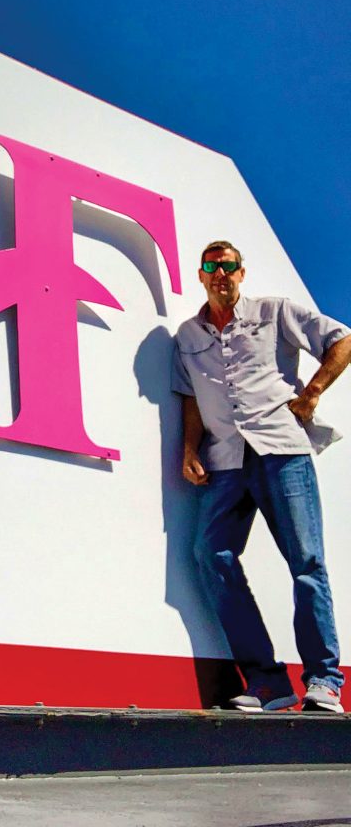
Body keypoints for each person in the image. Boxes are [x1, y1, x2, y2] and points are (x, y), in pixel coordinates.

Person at [172, 240, 351, 713]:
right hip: (226, 459)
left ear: (241, 273)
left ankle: (324, 681)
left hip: (281, 451)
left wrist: (312, 393)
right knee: (210, 555)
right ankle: (267, 683)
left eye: (228, 266)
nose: (220, 274)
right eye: (211, 266)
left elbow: (343, 339)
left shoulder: (274, 312)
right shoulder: (188, 336)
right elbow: (190, 397)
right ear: (201, 274)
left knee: (306, 563)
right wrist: (190, 449)